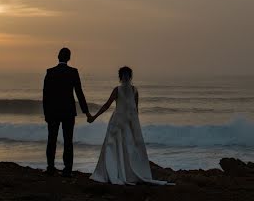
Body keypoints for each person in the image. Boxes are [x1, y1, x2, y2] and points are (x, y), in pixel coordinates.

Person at [88, 66, 170, 185]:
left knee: (128, 148)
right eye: (124, 75)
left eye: (127, 75)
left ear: (129, 77)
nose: (125, 77)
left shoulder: (134, 91)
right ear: (121, 77)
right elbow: (107, 105)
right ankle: (114, 171)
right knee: (113, 147)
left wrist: (135, 127)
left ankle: (127, 173)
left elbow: (135, 110)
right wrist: (94, 117)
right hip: (117, 122)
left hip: (128, 123)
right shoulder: (117, 90)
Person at [42, 47, 90, 177]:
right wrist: (86, 112)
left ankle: (50, 167)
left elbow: (45, 95)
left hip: (52, 111)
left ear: (58, 57)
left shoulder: (50, 72)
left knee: (51, 139)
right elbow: (79, 93)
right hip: (68, 111)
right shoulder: (73, 72)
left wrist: (46, 113)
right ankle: (67, 169)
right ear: (69, 58)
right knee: (68, 141)